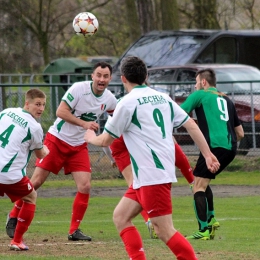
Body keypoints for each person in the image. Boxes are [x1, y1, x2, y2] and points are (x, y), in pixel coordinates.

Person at [84, 56, 220, 260]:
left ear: (122, 79)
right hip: (146, 176)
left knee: (164, 230)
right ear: (146, 76)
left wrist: (90, 137)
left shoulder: (126, 103)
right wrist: (208, 154)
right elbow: (191, 124)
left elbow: (105, 141)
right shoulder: (162, 97)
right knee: (121, 217)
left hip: (152, 175)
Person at [6, 62, 117, 241]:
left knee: (85, 186)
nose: (101, 79)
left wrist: (113, 152)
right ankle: (13, 215)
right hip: (56, 140)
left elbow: (117, 120)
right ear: (92, 76)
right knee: (36, 182)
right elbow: (60, 111)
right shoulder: (78, 89)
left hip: (79, 146)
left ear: (110, 79)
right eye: (98, 75)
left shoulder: (110, 99)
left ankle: (74, 231)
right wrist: (84, 124)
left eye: (105, 76)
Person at [180, 68, 244, 240]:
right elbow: (241, 133)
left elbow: (178, 114)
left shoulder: (200, 94)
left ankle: (203, 230)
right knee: (203, 181)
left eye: (195, 82)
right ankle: (212, 218)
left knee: (197, 186)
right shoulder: (227, 99)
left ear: (203, 82)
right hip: (230, 148)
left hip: (213, 147)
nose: (195, 86)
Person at [103, 134, 194, 239]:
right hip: (140, 136)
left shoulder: (116, 120)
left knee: (135, 185)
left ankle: (149, 221)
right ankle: (192, 182)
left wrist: (112, 158)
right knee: (139, 184)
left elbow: (105, 141)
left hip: (119, 140)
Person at [0, 89, 49, 251]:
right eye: (37, 104)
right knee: (30, 197)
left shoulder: (6, 112)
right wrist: (46, 150)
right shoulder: (34, 127)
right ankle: (17, 241)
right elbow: (40, 154)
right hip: (10, 174)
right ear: (27, 103)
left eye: (43, 105)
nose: (41, 108)